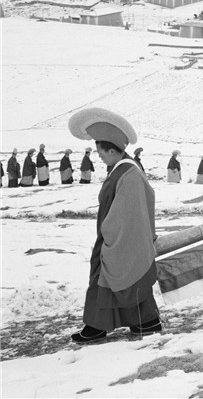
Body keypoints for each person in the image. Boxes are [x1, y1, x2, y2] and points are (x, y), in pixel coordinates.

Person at [66, 107, 161, 344]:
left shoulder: (128, 174)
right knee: (128, 280)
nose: (100, 157)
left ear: (112, 150)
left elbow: (127, 213)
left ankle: (96, 327)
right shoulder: (121, 169)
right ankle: (146, 321)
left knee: (105, 277)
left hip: (120, 237)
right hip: (122, 237)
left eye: (101, 153)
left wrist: (109, 236)